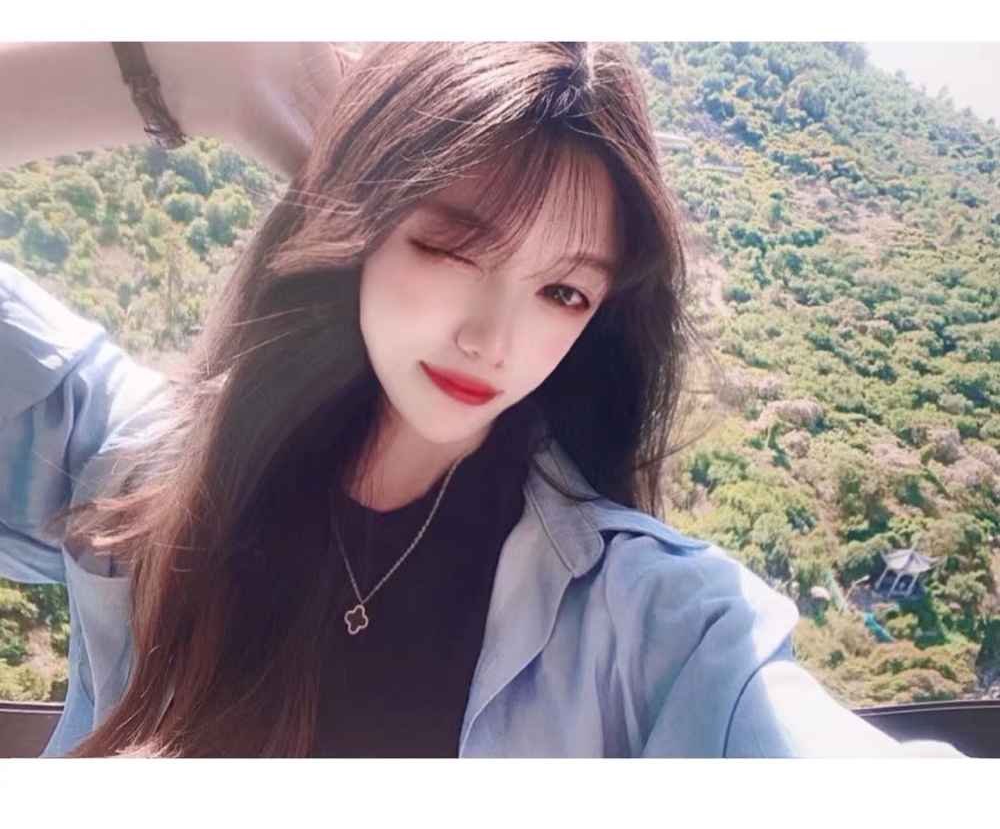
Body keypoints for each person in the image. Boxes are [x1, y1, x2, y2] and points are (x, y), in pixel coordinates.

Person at [0, 42, 962, 758]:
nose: (492, 341)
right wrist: (183, 74)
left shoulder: (654, 627)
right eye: (452, 247)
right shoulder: (141, 466)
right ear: (358, 223)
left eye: (563, 292)